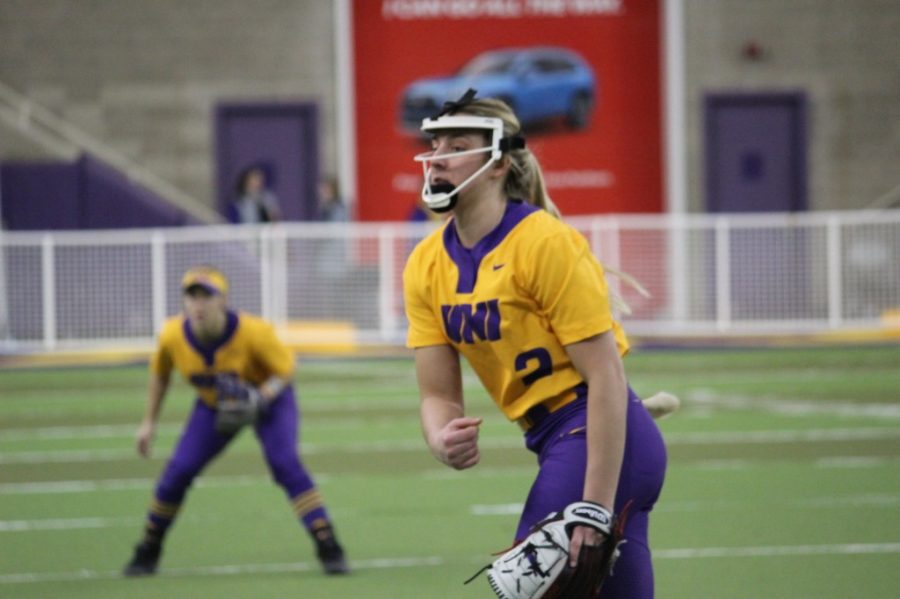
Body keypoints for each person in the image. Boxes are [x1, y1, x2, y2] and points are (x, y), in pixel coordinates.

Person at [402, 90, 669, 597]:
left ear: (499, 162)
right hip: (556, 438)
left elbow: (606, 376)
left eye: (456, 146)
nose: (437, 158)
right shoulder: (425, 263)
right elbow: (437, 394)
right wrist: (439, 437)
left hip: (598, 437)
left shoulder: (542, 242)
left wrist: (593, 504)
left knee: (522, 588)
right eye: (435, 145)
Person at [123, 265, 348, 577]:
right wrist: (149, 422)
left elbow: (286, 368)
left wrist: (262, 396)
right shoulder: (173, 334)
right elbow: (160, 374)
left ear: (223, 300)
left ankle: (328, 544)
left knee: (285, 464)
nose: (198, 305)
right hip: (214, 405)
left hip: (269, 401)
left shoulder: (253, 331)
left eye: (207, 296)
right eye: (192, 297)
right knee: (178, 472)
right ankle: (148, 549)